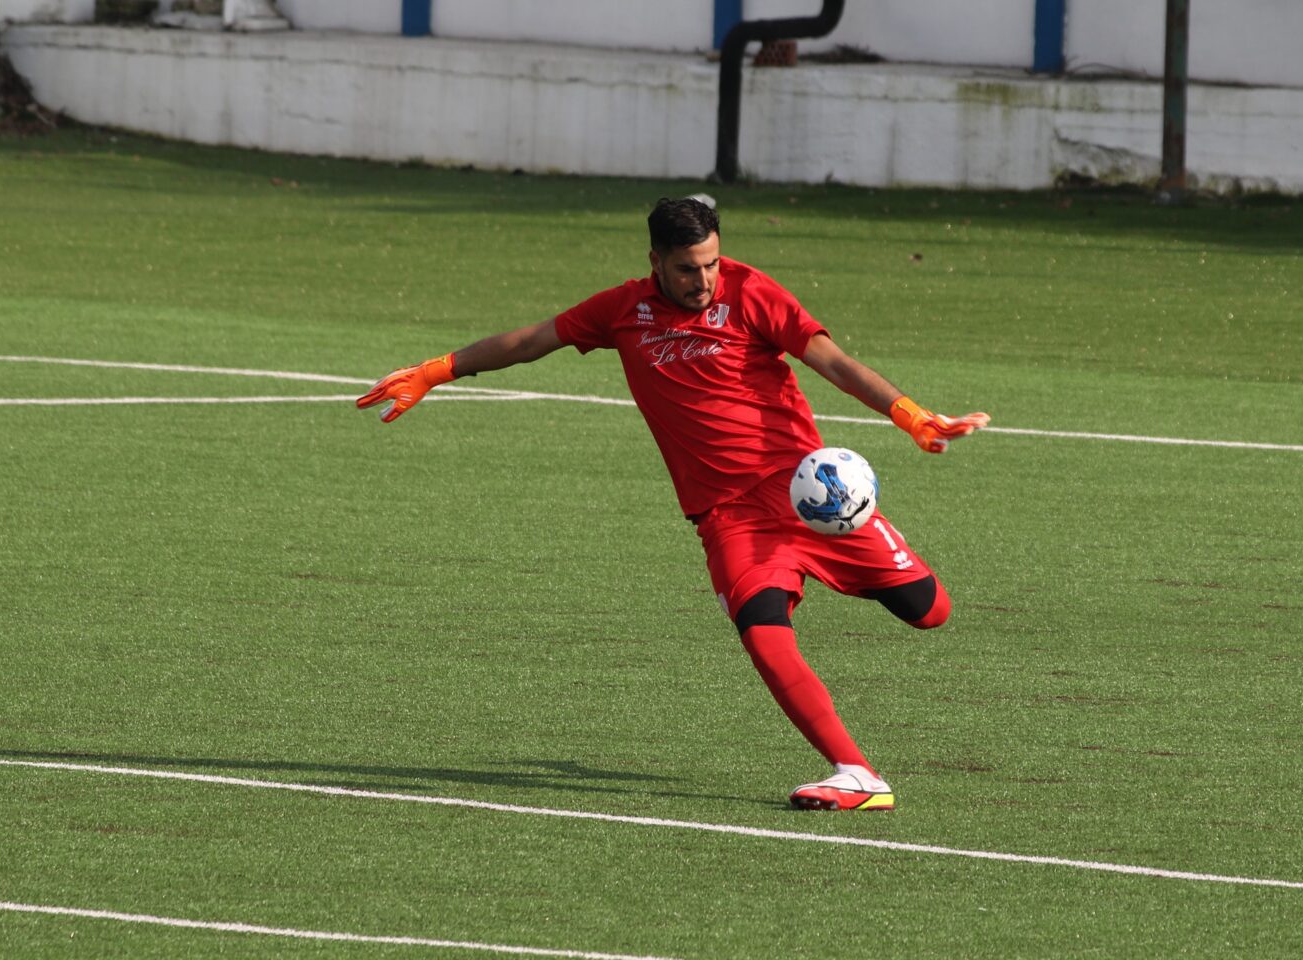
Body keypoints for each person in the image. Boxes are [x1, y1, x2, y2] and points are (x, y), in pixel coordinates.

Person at [358, 197, 989, 811]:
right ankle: (856, 772)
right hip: (726, 517)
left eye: (712, 263)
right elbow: (530, 341)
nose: (704, 280)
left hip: (807, 493)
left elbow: (834, 362)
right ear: (656, 260)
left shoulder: (751, 293)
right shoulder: (622, 310)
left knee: (929, 611)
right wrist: (438, 369)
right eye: (688, 268)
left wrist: (909, 415)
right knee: (763, 630)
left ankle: (871, 602)